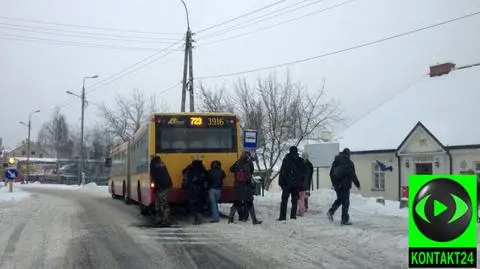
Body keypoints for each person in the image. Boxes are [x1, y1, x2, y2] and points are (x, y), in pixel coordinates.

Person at [327, 148, 360, 225]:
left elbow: (331, 173)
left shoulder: (336, 161)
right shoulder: (349, 163)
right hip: (345, 185)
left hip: (337, 185)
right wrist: (357, 184)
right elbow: (352, 175)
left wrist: (334, 183)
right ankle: (344, 220)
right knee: (346, 202)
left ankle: (331, 211)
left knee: (340, 199)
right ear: (349, 154)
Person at [228, 151, 262, 225]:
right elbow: (251, 171)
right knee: (249, 203)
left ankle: (230, 219)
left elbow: (231, 169)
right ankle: (254, 220)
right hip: (246, 186)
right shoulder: (249, 163)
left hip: (238, 186)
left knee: (236, 202)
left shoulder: (238, 162)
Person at [278, 146, 305, 220]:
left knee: (284, 200)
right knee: (294, 201)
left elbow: (282, 172)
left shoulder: (286, 159)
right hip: (296, 185)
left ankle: (282, 216)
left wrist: (281, 183)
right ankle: (293, 216)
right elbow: (303, 174)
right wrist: (300, 183)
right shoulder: (300, 160)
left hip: (287, 184)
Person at [182, 159, 208, 225]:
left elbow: (185, 177)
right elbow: (206, 177)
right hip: (201, 189)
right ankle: (199, 217)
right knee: (200, 203)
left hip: (192, 189)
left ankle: (195, 218)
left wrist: (184, 186)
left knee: (192, 204)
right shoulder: (202, 169)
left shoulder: (190, 169)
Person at [150, 156, 173, 227]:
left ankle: (165, 221)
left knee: (163, 204)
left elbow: (153, 178)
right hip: (167, 185)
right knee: (161, 203)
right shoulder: (162, 164)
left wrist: (154, 188)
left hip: (161, 187)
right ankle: (161, 219)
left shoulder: (153, 165)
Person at [297, 152, 314, 216]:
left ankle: (304, 207)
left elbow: (310, 174)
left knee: (304, 195)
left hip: (305, 182)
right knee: (302, 195)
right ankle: (303, 208)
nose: (304, 157)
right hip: (304, 182)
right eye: (303, 156)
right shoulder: (307, 164)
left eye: (305, 156)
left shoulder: (309, 164)